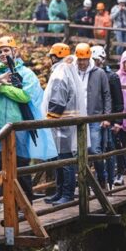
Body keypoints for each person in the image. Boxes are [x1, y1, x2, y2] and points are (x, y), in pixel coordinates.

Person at [0, 36, 57, 221]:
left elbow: (25, 96)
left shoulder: (26, 73)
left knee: (20, 166)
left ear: (15, 51)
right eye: (0, 51)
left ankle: (24, 205)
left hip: (19, 126)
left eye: (6, 50)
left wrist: (3, 88)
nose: (3, 54)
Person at [42, 43, 86, 205]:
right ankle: (60, 191)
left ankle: (67, 194)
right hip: (67, 122)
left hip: (62, 122)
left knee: (65, 159)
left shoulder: (60, 73)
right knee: (61, 158)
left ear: (54, 57)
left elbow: (58, 98)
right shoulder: (68, 70)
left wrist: (50, 118)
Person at [75, 43, 112, 189]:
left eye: (84, 59)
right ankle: (83, 184)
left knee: (94, 150)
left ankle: (101, 180)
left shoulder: (99, 73)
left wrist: (106, 116)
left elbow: (106, 95)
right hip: (77, 118)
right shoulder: (73, 71)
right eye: (79, 60)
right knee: (78, 151)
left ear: (89, 58)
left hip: (94, 117)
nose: (82, 63)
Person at [91, 46, 124, 189]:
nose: (95, 62)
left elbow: (118, 100)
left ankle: (109, 180)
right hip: (95, 117)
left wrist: (117, 121)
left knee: (109, 149)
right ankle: (101, 180)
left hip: (108, 119)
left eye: (97, 60)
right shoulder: (89, 75)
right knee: (97, 150)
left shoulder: (112, 76)